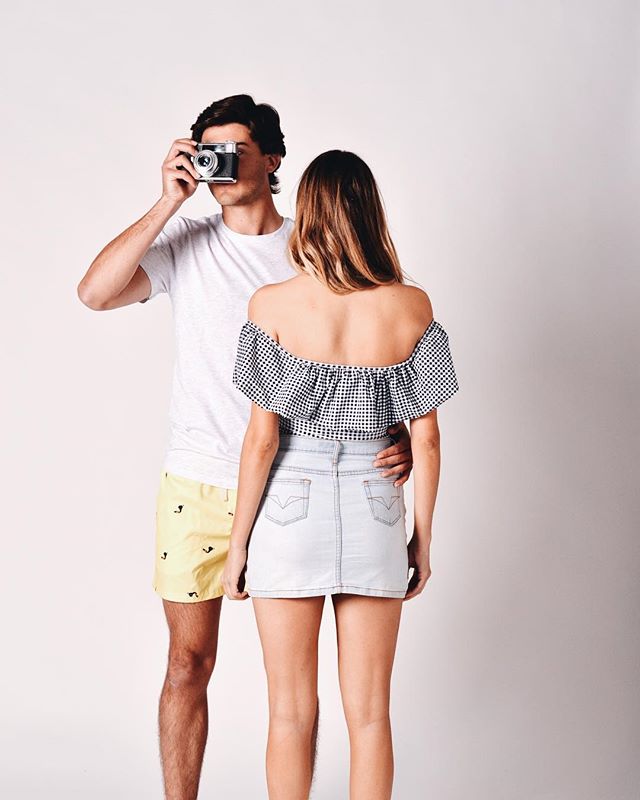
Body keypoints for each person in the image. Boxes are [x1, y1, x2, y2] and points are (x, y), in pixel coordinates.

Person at [77, 95, 415, 799]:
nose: (219, 166)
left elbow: (370, 344)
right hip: (201, 481)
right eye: (208, 153)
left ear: (273, 161)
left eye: (232, 151)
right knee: (187, 663)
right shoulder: (187, 243)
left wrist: (389, 436)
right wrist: (165, 203)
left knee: (292, 697)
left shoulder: (311, 247)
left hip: (296, 482)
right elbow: (95, 293)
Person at [222, 149, 459, 800]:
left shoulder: (271, 305)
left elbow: (261, 441)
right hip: (376, 501)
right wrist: (423, 537)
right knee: (371, 715)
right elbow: (428, 439)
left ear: (311, 214)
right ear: (369, 211)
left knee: (290, 713)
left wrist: (238, 544)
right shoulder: (410, 305)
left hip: (287, 508)